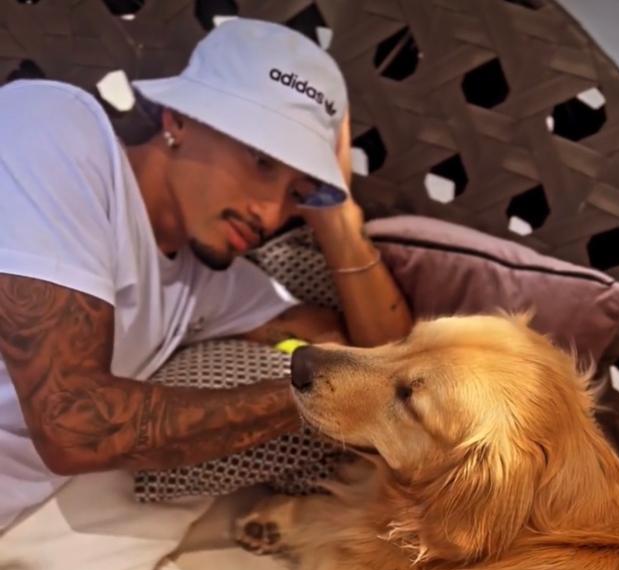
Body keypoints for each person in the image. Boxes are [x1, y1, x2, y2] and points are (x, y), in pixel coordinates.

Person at [0, 17, 412, 535]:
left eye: (297, 194)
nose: (271, 214)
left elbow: (391, 362)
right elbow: (73, 425)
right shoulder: (55, 131)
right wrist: (322, 393)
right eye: (262, 161)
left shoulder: (213, 284)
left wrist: (340, 223)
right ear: (179, 118)